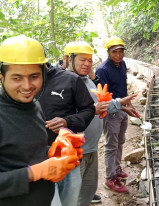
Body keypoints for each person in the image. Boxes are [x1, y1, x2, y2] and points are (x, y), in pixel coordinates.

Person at [0, 35, 79, 205]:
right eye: (17, 78)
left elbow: (24, 148)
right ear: (2, 77)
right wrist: (34, 172)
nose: (27, 86)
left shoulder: (33, 104)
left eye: (34, 76)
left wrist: (55, 150)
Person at [65, 41, 138, 204]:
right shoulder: (67, 82)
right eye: (82, 60)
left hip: (91, 143)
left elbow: (100, 97)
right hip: (77, 147)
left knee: (88, 182)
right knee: (73, 189)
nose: (87, 64)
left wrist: (122, 105)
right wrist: (116, 105)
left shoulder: (87, 78)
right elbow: (88, 108)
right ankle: (109, 178)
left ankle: (90, 193)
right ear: (69, 59)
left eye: (89, 60)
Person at [39, 45, 96, 205]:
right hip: (35, 160)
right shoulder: (15, 89)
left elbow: (88, 109)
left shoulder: (69, 80)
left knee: (69, 201)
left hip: (66, 155)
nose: (27, 81)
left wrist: (67, 121)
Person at [96, 36, 138, 193]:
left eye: (121, 52)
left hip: (122, 109)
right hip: (111, 112)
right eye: (115, 52)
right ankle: (110, 178)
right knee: (111, 144)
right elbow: (103, 96)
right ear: (108, 52)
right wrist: (121, 107)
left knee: (120, 141)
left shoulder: (122, 64)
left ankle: (117, 168)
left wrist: (129, 104)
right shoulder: (102, 70)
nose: (119, 55)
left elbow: (122, 87)